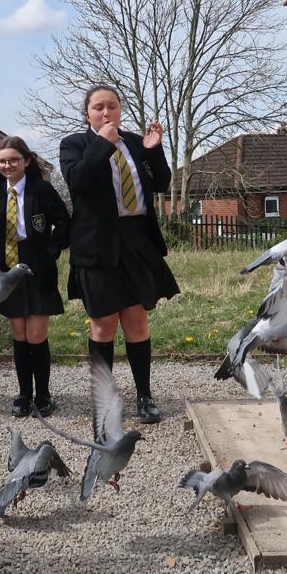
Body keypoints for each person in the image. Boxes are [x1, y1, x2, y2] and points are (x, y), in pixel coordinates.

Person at [59, 84, 180, 424]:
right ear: (88, 114)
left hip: (136, 241)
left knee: (137, 321)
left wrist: (153, 151)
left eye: (112, 106)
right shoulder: (74, 145)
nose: (106, 112)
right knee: (103, 325)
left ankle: (144, 397)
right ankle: (105, 400)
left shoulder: (133, 142)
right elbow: (78, 182)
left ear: (120, 109)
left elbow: (161, 183)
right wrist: (102, 142)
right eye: (98, 107)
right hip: (96, 246)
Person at [0, 136, 69, 418]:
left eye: (13, 160)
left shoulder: (42, 190)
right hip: (7, 269)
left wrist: (52, 250)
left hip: (38, 265)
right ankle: (23, 394)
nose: (7, 165)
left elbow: (64, 222)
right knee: (19, 332)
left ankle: (43, 394)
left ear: (26, 161)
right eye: (2, 161)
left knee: (36, 334)